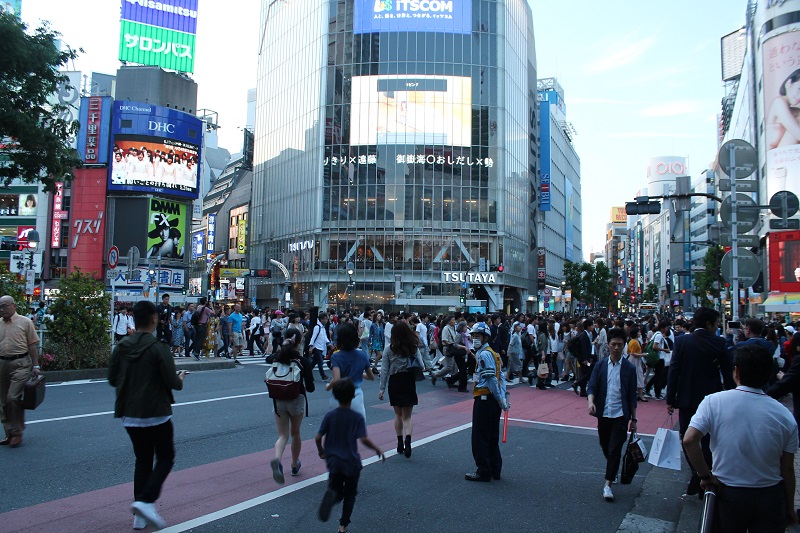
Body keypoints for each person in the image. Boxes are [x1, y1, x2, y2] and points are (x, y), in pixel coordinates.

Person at [684, 344, 798, 532]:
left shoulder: (714, 401)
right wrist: (789, 506)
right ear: (769, 374)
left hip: (727, 491)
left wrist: (705, 476)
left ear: (736, 372)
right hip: (770, 495)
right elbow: (787, 469)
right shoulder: (784, 415)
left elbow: (689, 440)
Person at [108, 300, 186, 531]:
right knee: (165, 457)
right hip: (156, 412)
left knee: (142, 459)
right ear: (154, 319)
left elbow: (112, 379)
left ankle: (139, 516)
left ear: (134, 319)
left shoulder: (122, 347)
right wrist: (180, 379)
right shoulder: (158, 348)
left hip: (129, 413)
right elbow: (174, 383)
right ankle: (145, 501)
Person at [666, 306, 735, 496]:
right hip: (713, 400)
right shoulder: (719, 343)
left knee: (687, 438)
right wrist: (730, 394)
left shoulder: (681, 342)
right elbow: (728, 374)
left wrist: (670, 398)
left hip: (687, 399)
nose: (716, 327)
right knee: (710, 440)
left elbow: (674, 371)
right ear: (708, 323)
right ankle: (705, 475)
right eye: (715, 323)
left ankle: (698, 474)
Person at [316, 378, 384, 532]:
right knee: (350, 494)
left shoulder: (330, 416)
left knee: (336, 490)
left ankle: (333, 498)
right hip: (351, 462)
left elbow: (318, 437)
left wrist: (321, 451)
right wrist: (377, 449)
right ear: (353, 396)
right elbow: (363, 439)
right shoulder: (357, 417)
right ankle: (343, 526)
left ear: (335, 395)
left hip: (333, 461)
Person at [587, 327, 637, 502]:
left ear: (624, 346)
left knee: (615, 448)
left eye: (620, 345)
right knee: (605, 444)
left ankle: (608, 484)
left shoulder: (629, 368)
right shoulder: (600, 366)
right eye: (614, 344)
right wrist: (591, 402)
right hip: (603, 413)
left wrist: (634, 418)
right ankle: (613, 469)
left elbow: (632, 395)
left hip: (621, 415)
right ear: (607, 345)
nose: (616, 348)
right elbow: (592, 386)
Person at [268, 328, 315, 484]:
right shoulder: (302, 361)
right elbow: (310, 387)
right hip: (296, 398)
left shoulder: (277, 358)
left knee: (282, 435)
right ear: (300, 341)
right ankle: (294, 465)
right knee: (295, 433)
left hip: (278, 399)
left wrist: (282, 348)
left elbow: (269, 358)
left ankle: (277, 458)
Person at [465, 322, 508, 482]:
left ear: (485, 337)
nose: (474, 339)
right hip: (493, 402)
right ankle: (494, 469)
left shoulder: (484, 355)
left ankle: (483, 470)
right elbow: (501, 377)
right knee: (491, 436)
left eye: (477, 336)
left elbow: (491, 379)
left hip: (485, 399)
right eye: (473, 336)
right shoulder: (493, 353)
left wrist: (499, 398)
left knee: (479, 437)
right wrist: (502, 398)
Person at [0, 296, 40, 448]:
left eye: (4, 306)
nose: (2, 309)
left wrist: (36, 366)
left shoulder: (25, 322)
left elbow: (32, 346)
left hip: (21, 363)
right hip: (2, 362)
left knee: (12, 397)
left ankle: (17, 432)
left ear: (13, 306)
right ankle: (9, 432)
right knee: (3, 400)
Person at [378, 320, 422, 457]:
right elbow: (420, 364)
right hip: (408, 380)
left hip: (395, 381)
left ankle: (399, 443)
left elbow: (384, 370)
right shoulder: (413, 347)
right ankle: (408, 439)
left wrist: (381, 389)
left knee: (397, 414)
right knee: (407, 417)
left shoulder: (389, 349)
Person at [327, 323, 374, 422]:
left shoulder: (336, 356)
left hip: (338, 395)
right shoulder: (361, 355)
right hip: (356, 394)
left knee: (336, 427)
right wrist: (360, 374)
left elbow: (336, 379)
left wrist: (328, 386)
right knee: (358, 428)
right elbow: (371, 377)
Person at [767, 68, 800, 149]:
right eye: (799, 89)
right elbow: (797, 133)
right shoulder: (778, 102)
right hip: (775, 157)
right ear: (788, 83)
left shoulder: (796, 112)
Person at [309, 313, 332, 381]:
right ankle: (323, 376)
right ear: (321, 319)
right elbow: (313, 337)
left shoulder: (322, 327)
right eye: (325, 319)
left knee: (314, 363)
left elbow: (325, 337)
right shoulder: (317, 327)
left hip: (321, 347)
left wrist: (329, 344)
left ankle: (305, 373)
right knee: (320, 362)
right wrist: (311, 346)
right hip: (316, 347)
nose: (326, 321)